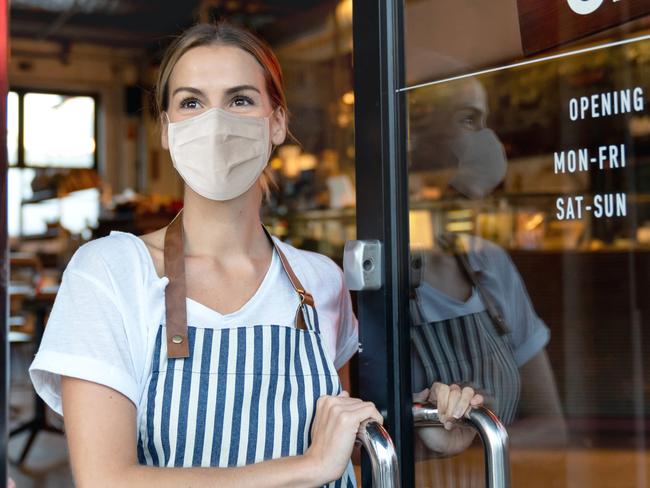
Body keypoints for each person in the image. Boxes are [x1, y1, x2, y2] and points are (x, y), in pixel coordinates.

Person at [407, 72, 566, 481]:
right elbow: (357, 455)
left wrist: (476, 434)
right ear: (417, 138)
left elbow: (552, 426)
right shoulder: (367, 279)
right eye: (468, 121)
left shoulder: (488, 262)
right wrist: (433, 435)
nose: (486, 141)